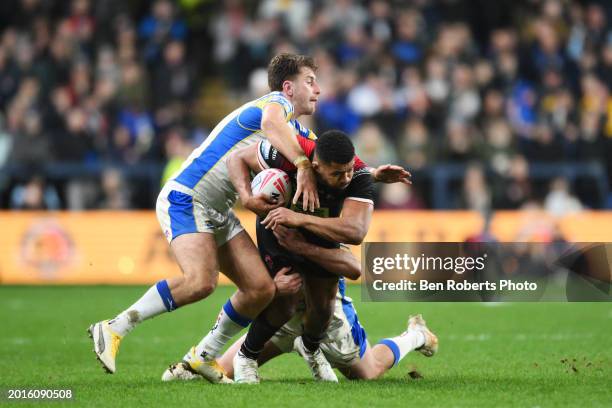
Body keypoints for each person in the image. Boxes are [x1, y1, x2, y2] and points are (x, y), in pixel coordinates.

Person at [88, 53, 323, 381]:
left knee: (260, 289)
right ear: (288, 87)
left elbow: (330, 159)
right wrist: (300, 165)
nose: (318, 89)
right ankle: (113, 328)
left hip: (216, 209)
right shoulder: (275, 105)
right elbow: (275, 131)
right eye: (310, 81)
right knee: (200, 282)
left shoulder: (293, 130)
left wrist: (369, 175)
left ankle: (200, 359)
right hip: (186, 197)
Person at [224, 129, 411, 383]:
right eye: (337, 173)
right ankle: (201, 358)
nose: (346, 177)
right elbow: (236, 158)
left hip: (316, 285)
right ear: (315, 166)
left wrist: (298, 220)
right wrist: (247, 199)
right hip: (280, 238)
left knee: (365, 371)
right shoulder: (289, 155)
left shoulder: (359, 174)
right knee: (285, 292)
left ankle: (414, 336)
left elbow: (355, 234)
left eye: (348, 170)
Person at [162, 226, 438, 382]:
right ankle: (191, 364)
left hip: (326, 314)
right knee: (224, 369)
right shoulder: (268, 216)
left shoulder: (319, 216)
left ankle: (416, 335)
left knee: (367, 372)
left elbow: (352, 266)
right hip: (285, 313)